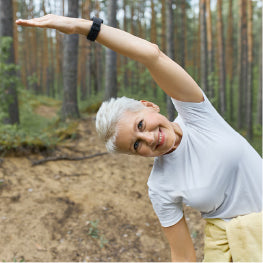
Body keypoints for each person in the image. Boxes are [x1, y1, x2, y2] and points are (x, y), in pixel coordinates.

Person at [16, 14, 262, 262]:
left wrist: (82, 27)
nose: (148, 138)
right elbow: (182, 255)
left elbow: (151, 54)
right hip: (231, 253)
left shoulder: (197, 114)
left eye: (141, 124)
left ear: (149, 106)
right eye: (136, 145)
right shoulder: (160, 187)